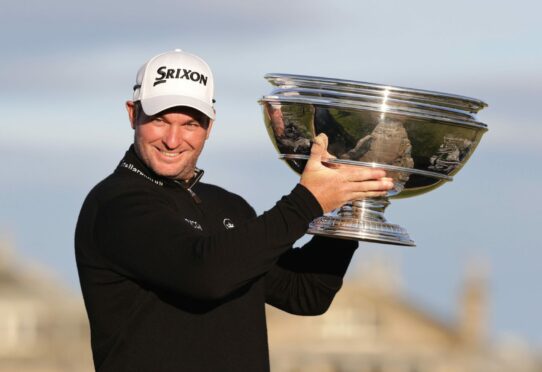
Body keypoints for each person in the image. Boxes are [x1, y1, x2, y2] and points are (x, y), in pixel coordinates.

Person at [75, 49, 393, 372]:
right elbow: (204, 272)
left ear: (209, 126)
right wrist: (308, 200)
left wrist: (350, 203)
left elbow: (305, 292)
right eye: (160, 120)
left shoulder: (227, 207)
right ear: (133, 114)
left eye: (190, 124)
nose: (173, 139)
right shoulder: (115, 205)